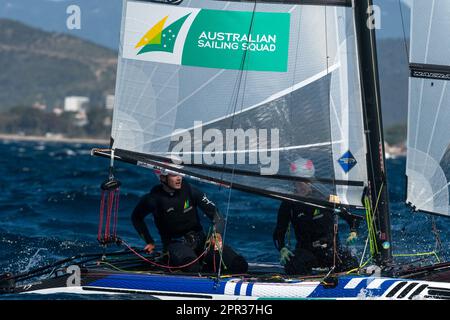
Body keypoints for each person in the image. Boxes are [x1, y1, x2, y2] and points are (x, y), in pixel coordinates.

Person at [131, 167, 248, 274]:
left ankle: (210, 270)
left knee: (239, 265)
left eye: (179, 173)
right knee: (192, 268)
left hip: (201, 242)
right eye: (173, 174)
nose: (179, 178)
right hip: (175, 245)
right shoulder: (153, 199)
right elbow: (136, 218)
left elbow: (217, 215)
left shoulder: (190, 190)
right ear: (162, 177)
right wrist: (149, 241)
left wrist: (216, 233)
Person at [273, 157, 359, 275]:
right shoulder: (288, 204)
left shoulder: (327, 199)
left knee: (351, 263)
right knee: (293, 265)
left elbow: (352, 219)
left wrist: (353, 231)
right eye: (298, 181)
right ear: (293, 181)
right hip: (307, 253)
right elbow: (278, 233)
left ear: (311, 181)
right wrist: (282, 248)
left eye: (305, 181)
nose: (302, 185)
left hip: (331, 253)